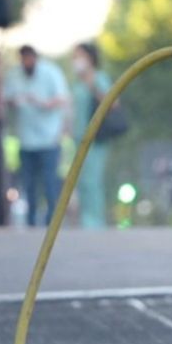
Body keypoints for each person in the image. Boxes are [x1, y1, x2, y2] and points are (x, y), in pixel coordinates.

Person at [4, 45, 69, 226]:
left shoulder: (50, 73)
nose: (27, 63)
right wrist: (14, 102)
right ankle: (31, 221)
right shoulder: (14, 75)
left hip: (49, 139)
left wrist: (43, 103)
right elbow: (5, 98)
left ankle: (52, 221)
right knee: (29, 184)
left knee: (49, 183)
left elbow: (62, 98)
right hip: (26, 140)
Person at [69, 42, 112, 228]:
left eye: (80, 56)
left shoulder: (99, 78)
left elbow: (112, 102)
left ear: (90, 58)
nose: (76, 60)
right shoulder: (76, 83)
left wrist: (91, 82)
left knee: (92, 180)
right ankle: (86, 220)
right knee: (82, 182)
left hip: (96, 138)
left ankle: (95, 222)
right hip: (78, 137)